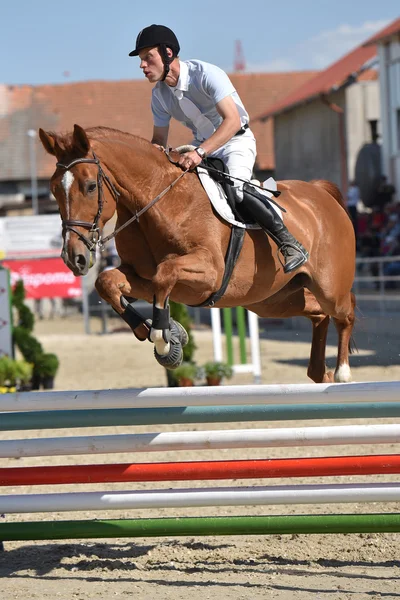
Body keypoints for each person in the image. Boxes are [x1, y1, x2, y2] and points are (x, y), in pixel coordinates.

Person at [129, 24, 308, 273]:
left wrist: (199, 152)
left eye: (148, 57)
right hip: (202, 149)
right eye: (141, 60)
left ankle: (289, 243)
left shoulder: (206, 74)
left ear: (168, 53)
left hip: (235, 141)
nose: (142, 65)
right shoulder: (159, 95)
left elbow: (233, 121)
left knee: (238, 190)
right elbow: (158, 141)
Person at [347, 180, 360, 244]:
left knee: (353, 221)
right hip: (351, 206)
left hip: (352, 206)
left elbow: (349, 197)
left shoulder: (354, 189)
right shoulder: (353, 189)